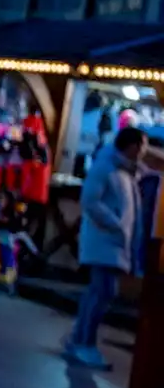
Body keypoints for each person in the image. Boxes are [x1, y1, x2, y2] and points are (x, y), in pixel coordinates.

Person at [65, 125, 147, 370]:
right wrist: (116, 224)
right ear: (132, 146)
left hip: (113, 244)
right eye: (142, 145)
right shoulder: (106, 167)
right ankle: (85, 344)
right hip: (103, 243)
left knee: (99, 292)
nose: (144, 151)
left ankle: (79, 339)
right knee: (103, 292)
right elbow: (90, 201)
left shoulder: (126, 172)